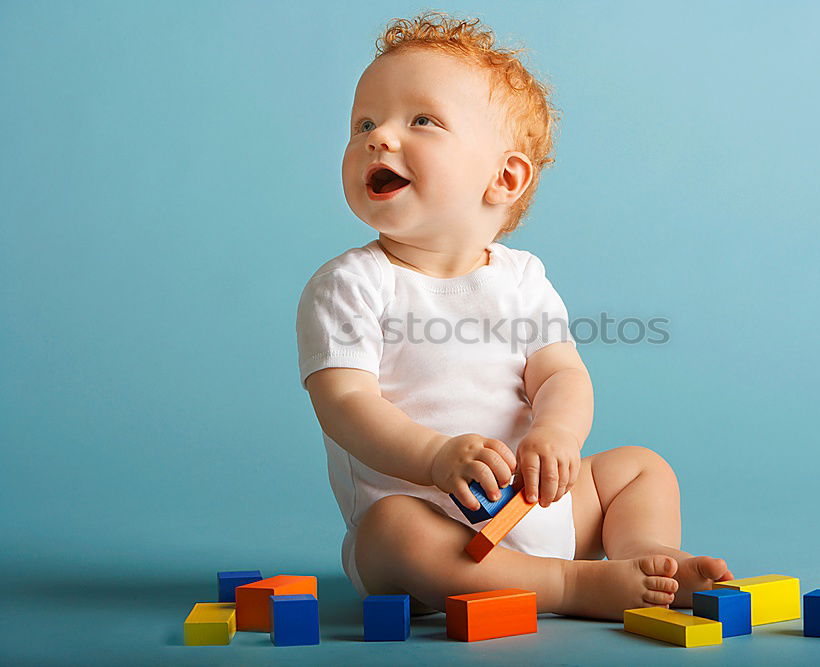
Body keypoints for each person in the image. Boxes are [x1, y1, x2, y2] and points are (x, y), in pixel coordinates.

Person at [296, 11, 732, 620]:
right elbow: (344, 404)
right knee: (389, 529)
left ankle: (648, 557)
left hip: (537, 504)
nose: (379, 137)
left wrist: (557, 435)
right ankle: (571, 587)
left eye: (420, 120)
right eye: (364, 122)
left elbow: (560, 374)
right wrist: (434, 457)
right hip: (434, 535)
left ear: (504, 177)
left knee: (640, 468)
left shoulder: (521, 278)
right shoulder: (349, 284)